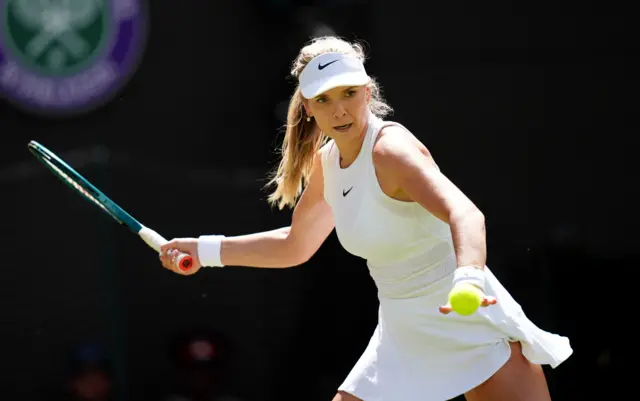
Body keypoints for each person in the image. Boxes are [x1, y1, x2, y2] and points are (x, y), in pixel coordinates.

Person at [159, 36, 572, 401]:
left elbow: (463, 212)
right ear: (307, 108)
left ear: (367, 91)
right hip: (402, 334)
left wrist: (468, 276)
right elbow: (294, 246)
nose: (338, 110)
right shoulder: (328, 162)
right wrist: (203, 249)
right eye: (323, 99)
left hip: (469, 323)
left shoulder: (390, 151)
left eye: (348, 93)